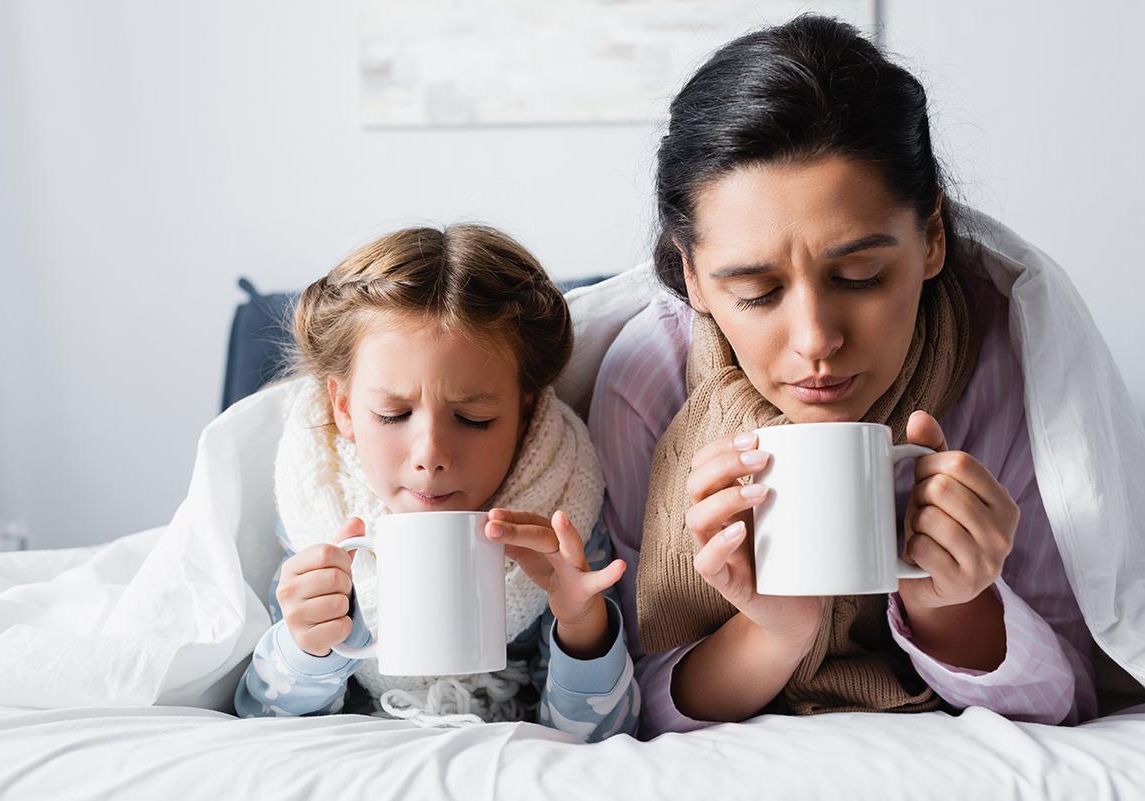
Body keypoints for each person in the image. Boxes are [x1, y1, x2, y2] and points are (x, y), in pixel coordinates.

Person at [589, 14, 1095, 738]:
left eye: (861, 275)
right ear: (692, 275)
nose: (817, 340)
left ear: (932, 238)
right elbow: (621, 703)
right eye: (757, 293)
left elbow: (1079, 694)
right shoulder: (647, 384)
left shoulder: (1007, 363)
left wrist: (951, 602)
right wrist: (775, 631)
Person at [235, 223, 639, 742]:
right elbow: (259, 726)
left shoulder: (566, 509)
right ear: (343, 408)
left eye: (473, 419)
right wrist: (305, 647)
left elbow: (609, 738)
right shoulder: (316, 508)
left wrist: (583, 629)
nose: (430, 456)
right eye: (392, 413)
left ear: (527, 408)